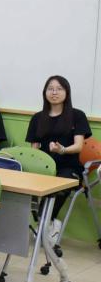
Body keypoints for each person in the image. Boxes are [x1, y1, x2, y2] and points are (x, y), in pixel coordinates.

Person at [26, 75, 93, 241]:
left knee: (59, 185)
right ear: (45, 92)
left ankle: (46, 223)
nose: (54, 92)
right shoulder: (37, 118)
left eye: (59, 89)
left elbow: (79, 146)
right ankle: (47, 223)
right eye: (50, 89)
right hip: (44, 169)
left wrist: (61, 149)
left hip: (69, 168)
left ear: (66, 92)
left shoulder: (77, 115)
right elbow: (34, 149)